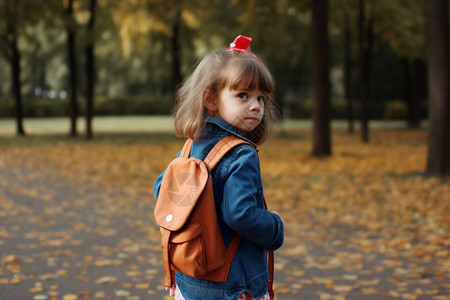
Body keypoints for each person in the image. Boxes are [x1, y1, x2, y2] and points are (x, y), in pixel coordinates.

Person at [153, 35, 284, 300]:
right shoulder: (242, 154)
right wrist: (275, 226)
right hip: (233, 285)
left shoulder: (192, 145)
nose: (256, 106)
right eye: (243, 95)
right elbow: (239, 214)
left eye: (261, 98)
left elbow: (161, 188)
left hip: (189, 279)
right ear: (211, 100)